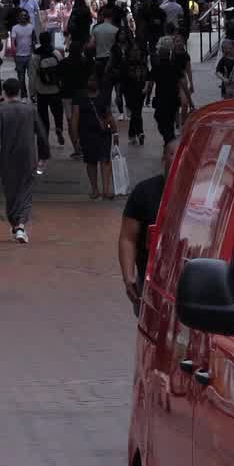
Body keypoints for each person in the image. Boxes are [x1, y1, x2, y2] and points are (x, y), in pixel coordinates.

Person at [121, 141, 183, 313]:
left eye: (183, 153)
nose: (178, 158)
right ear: (164, 157)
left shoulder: (202, 192)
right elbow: (128, 237)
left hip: (186, 285)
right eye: (172, 154)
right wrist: (128, 277)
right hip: (151, 282)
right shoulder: (144, 192)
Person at [0, 79, 45, 243]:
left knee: (10, 192)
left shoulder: (0, 112)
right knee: (25, 193)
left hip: (7, 158)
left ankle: (16, 224)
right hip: (28, 157)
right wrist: (44, 155)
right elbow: (41, 134)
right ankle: (20, 225)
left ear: (4, 93)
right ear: (19, 91)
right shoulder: (30, 110)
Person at [77, 73, 117, 200]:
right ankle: (95, 189)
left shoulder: (103, 97)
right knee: (91, 162)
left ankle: (106, 190)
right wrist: (75, 138)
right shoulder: (80, 97)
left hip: (103, 133)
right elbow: (75, 117)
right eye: (90, 79)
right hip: (86, 135)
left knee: (105, 160)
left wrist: (115, 133)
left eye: (94, 80)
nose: (92, 82)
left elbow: (109, 116)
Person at [150, 35, 194, 146]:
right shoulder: (170, 59)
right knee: (170, 115)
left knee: (181, 106)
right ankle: (173, 132)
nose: (178, 43)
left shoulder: (183, 56)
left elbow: (187, 71)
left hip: (175, 87)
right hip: (171, 91)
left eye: (179, 41)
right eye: (176, 41)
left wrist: (191, 84)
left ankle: (178, 128)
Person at [118, 42, 150, 146]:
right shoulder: (125, 63)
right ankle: (140, 132)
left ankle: (132, 134)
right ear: (130, 52)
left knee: (137, 113)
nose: (136, 52)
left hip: (141, 92)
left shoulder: (143, 63)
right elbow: (121, 80)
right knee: (136, 112)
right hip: (129, 92)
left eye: (137, 50)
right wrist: (120, 95)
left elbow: (148, 77)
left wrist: (146, 88)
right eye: (134, 50)